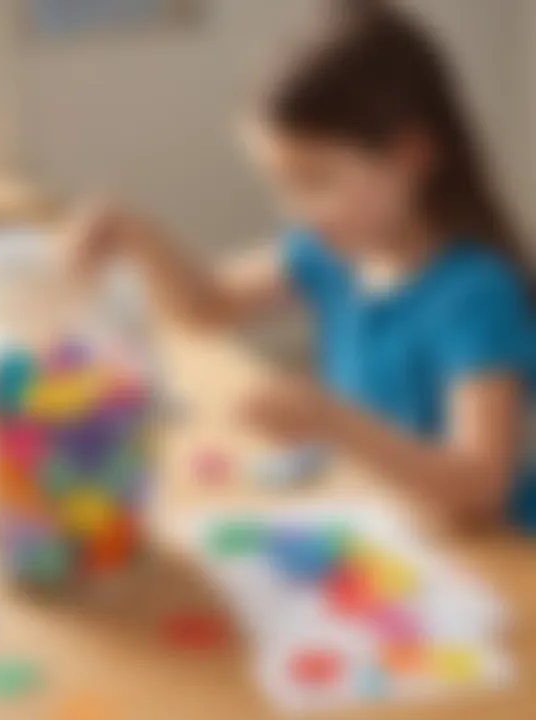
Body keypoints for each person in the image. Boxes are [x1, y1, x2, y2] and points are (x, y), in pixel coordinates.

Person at [69, 0, 536, 532]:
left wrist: (330, 422)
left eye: (315, 182)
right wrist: (136, 236)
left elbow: (478, 485)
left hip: (492, 550)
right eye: (283, 186)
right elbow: (205, 308)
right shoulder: (331, 250)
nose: (296, 211)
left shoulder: (476, 296)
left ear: (411, 154)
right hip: (389, 519)